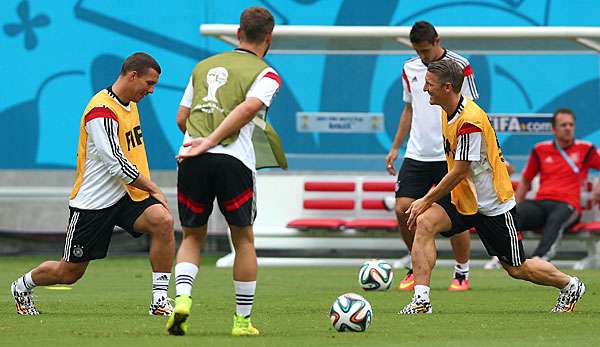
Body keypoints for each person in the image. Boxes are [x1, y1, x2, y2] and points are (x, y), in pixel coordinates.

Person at [399, 59, 586, 314]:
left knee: (517, 268)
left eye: (429, 85)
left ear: (447, 88)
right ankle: (421, 301)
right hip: (464, 198)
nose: (424, 89)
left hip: (492, 204)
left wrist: (425, 199)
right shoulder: (446, 110)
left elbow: (460, 170)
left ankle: (570, 284)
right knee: (425, 223)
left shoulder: (470, 121)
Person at [10, 52, 175, 316]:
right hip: (94, 202)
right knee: (69, 273)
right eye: (149, 82)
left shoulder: (131, 104)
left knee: (163, 222)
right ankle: (22, 286)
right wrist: (153, 187)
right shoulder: (101, 111)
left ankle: (159, 301)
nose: (152, 90)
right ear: (132, 76)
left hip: (125, 195)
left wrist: (145, 190)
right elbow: (116, 163)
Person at [166, 6, 286, 337]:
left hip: (192, 159)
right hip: (234, 161)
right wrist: (215, 141)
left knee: (192, 235)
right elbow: (248, 109)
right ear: (268, 38)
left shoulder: (202, 67)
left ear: (238, 33)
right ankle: (242, 322)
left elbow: (181, 117)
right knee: (243, 238)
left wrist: (198, 142)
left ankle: (183, 300)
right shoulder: (267, 74)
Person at [386, 21, 478, 291]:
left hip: (450, 154)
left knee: (456, 215)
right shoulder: (409, 68)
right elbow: (409, 109)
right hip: (417, 153)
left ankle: (461, 272)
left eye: (426, 50)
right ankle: (417, 267)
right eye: (419, 51)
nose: (423, 57)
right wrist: (395, 147)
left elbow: (470, 109)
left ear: (437, 40)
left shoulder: (461, 65)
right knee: (403, 209)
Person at [486, 109, 600, 267]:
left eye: (571, 125)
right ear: (554, 129)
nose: (568, 128)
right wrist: (514, 207)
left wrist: (598, 185)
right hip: (541, 201)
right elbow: (525, 181)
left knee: (556, 219)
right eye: (563, 125)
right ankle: (503, 255)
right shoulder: (540, 149)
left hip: (568, 204)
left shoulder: (586, 149)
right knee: (513, 217)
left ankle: (540, 259)